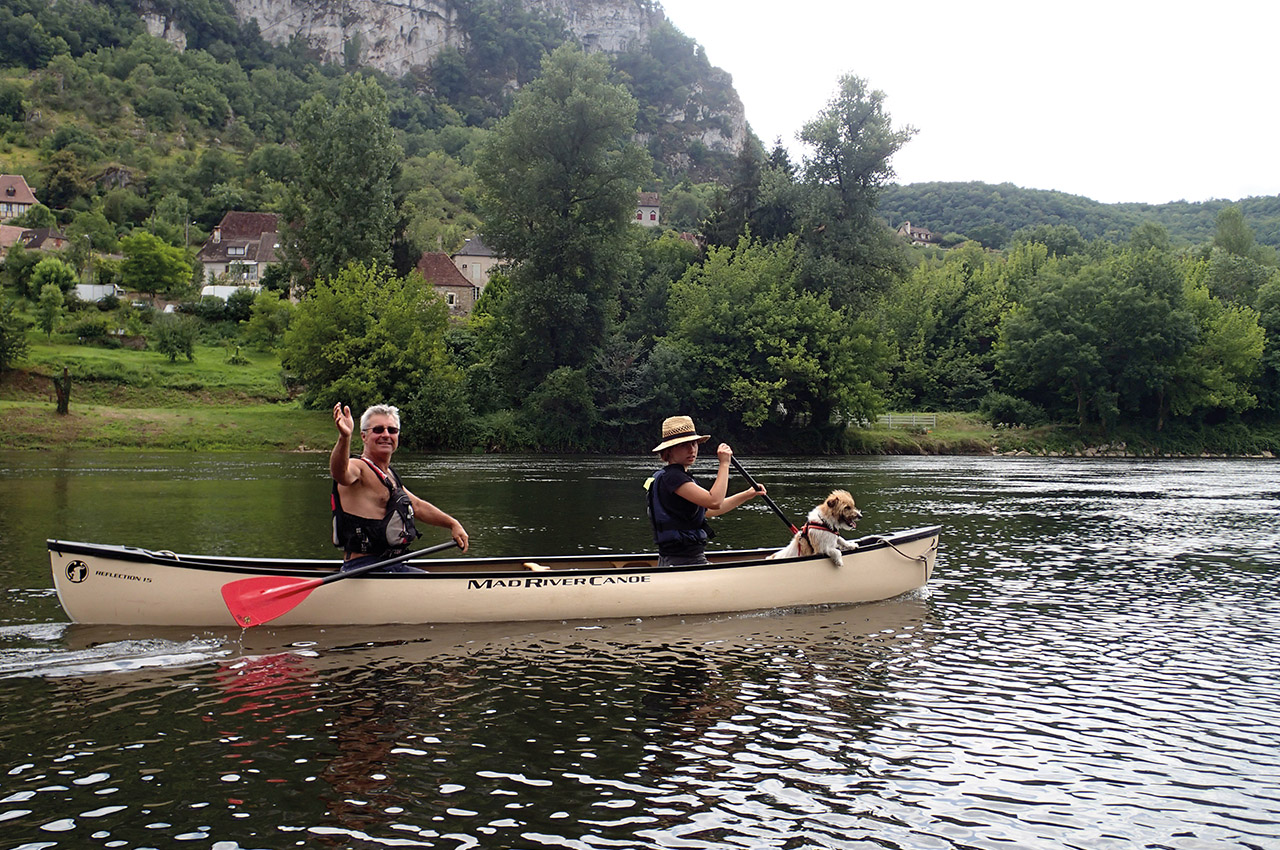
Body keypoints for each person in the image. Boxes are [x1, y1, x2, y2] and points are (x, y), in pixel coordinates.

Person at [331, 402, 468, 572]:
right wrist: (344, 438)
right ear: (364, 436)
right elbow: (339, 473)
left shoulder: (388, 476)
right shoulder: (357, 467)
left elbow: (417, 506)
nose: (386, 435)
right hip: (363, 568)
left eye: (392, 430)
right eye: (378, 430)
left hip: (392, 565)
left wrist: (452, 524)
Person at [646, 415, 765, 566]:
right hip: (684, 561)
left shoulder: (674, 477)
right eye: (684, 445)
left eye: (694, 443)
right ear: (669, 450)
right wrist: (724, 464)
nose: (692, 449)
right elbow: (714, 501)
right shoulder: (673, 478)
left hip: (676, 560)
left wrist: (747, 495)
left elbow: (710, 510)